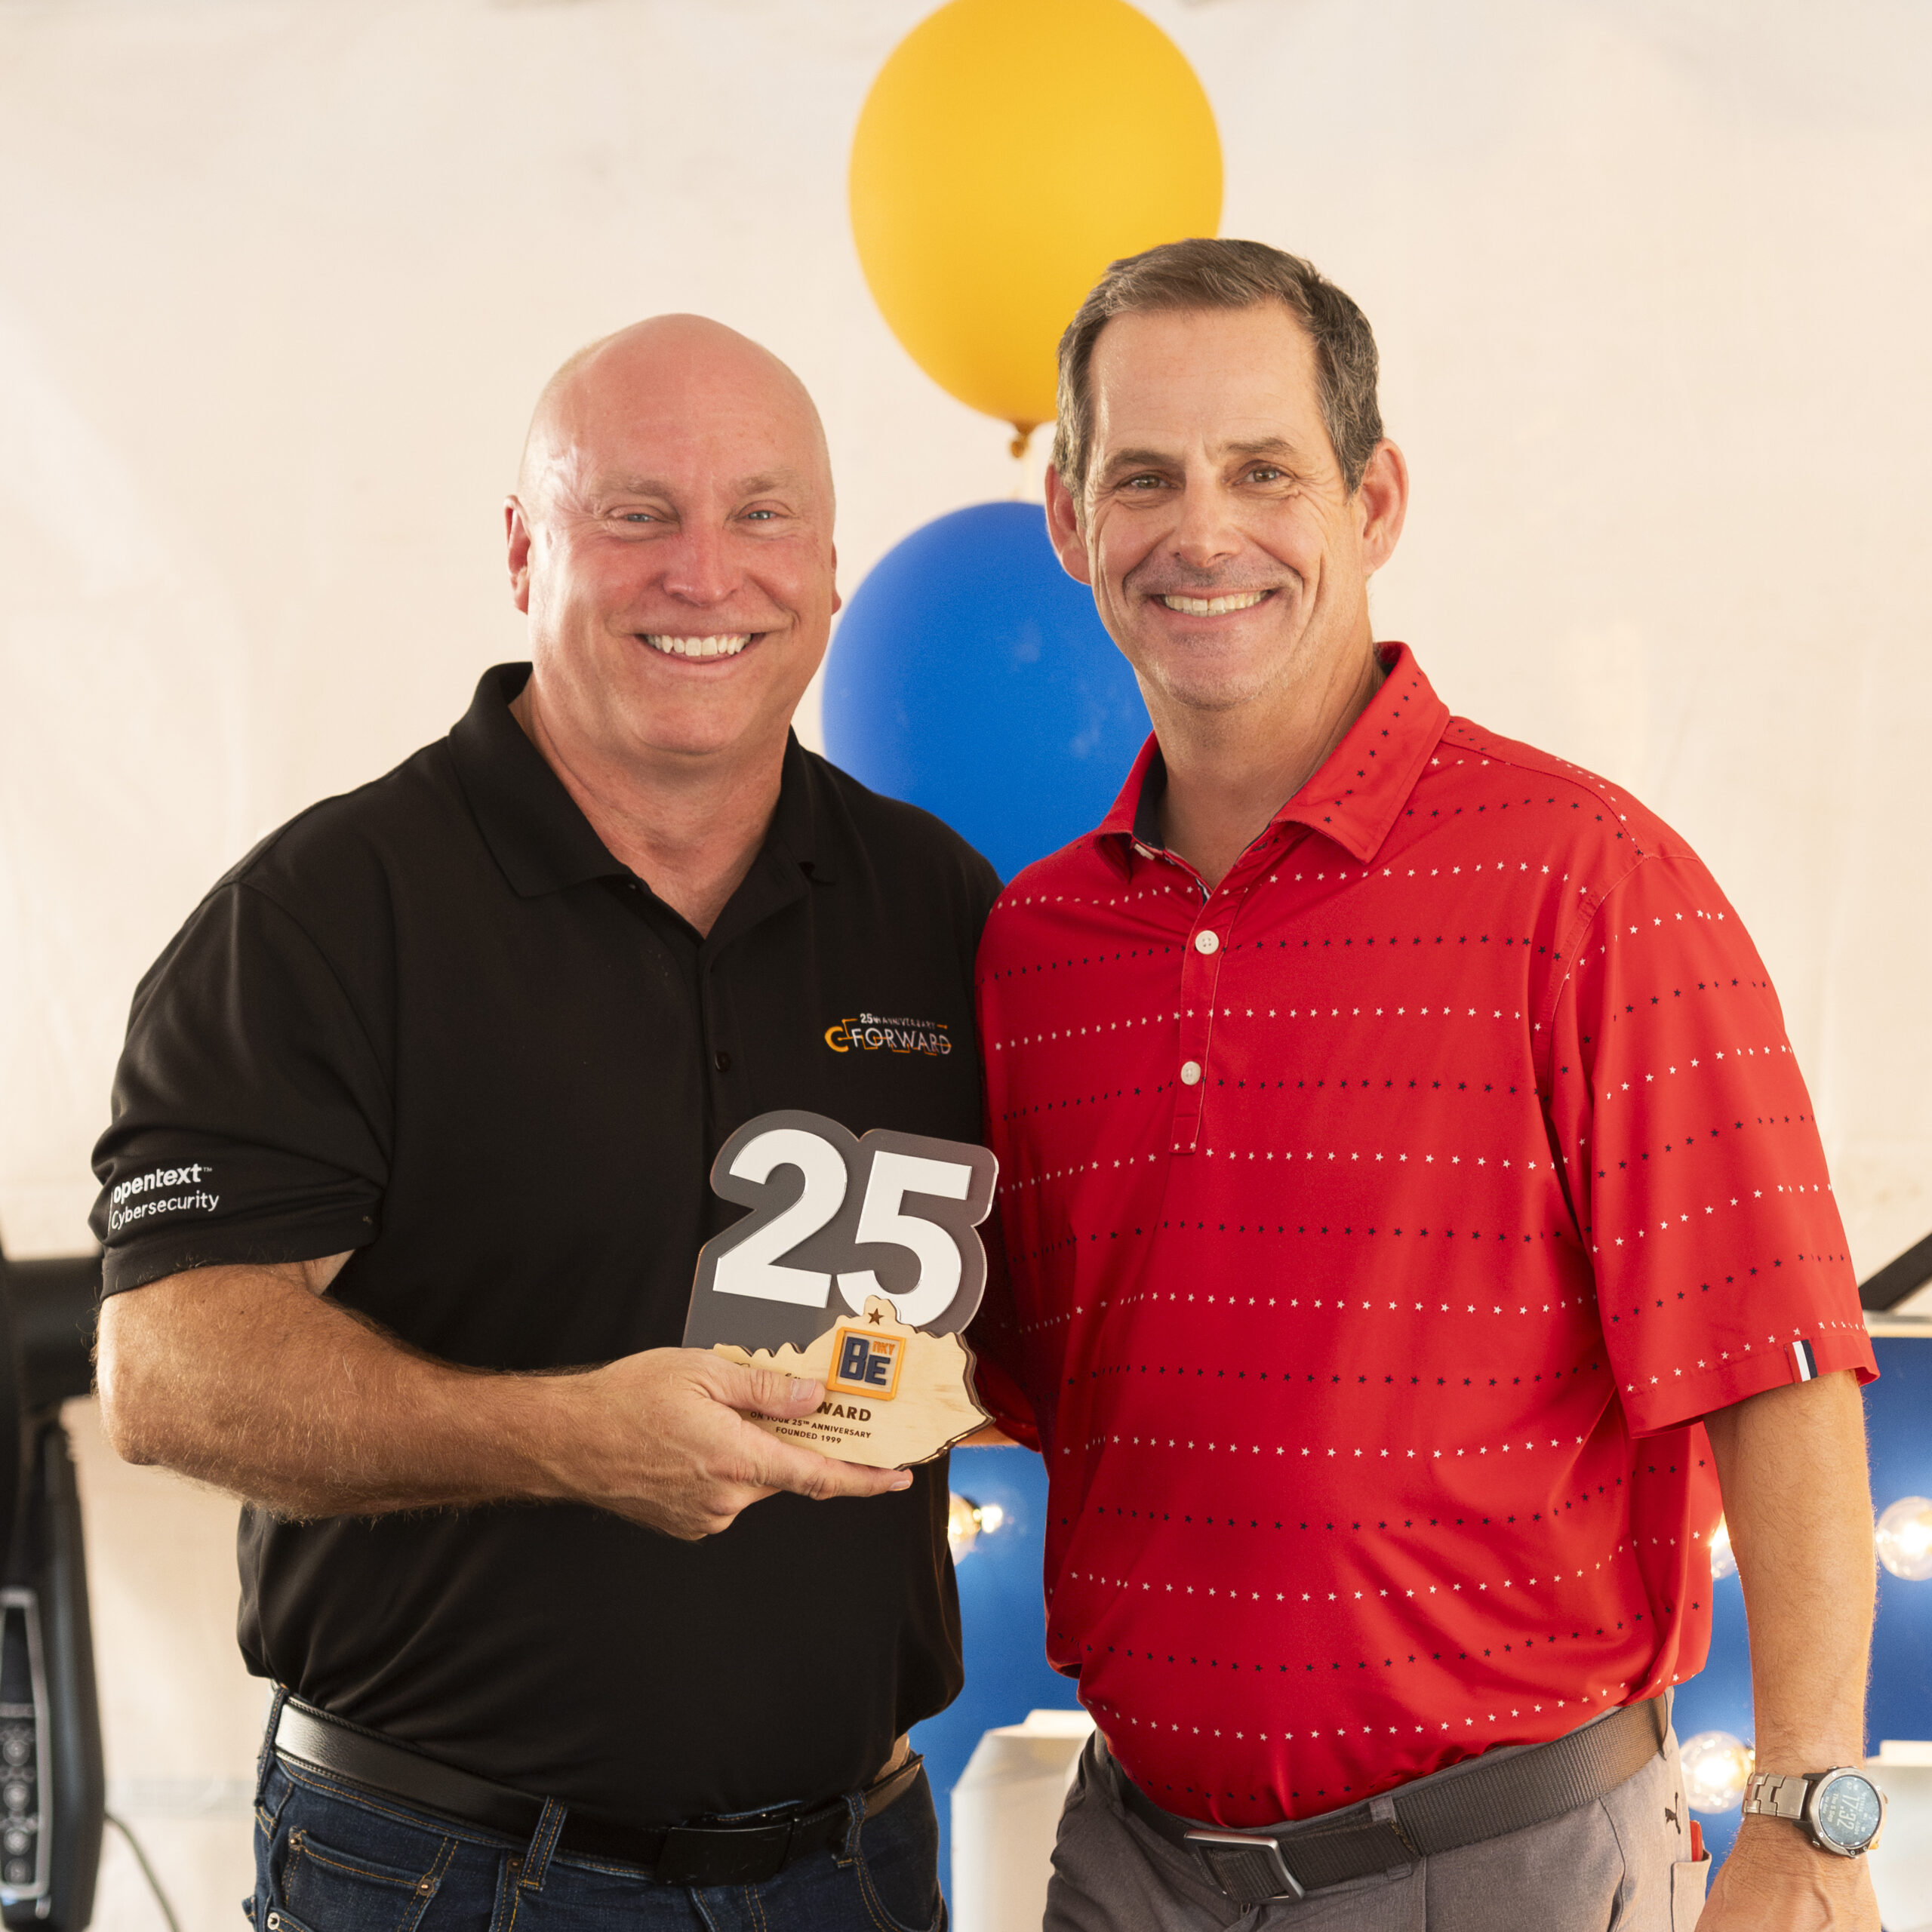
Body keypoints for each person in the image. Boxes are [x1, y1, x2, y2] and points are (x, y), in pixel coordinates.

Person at [970, 240, 1881, 1930]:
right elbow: (1028, 1370)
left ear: (1371, 498)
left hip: (1494, 1870)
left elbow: (1780, 1363)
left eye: (1263, 470)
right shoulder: (1036, 943)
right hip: (1129, 1862)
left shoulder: (1582, 880)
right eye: (1144, 477)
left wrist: (1808, 1824)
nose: (1202, 531)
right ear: (1066, 518)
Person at [93, 315, 999, 1930]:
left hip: (854, 1865)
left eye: (762, 513)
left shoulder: (929, 901)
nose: (704, 571)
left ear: (832, 564)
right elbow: (169, 1371)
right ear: (524, 549)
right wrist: (570, 1437)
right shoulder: (329, 913)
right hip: (445, 1868)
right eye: (635, 511)